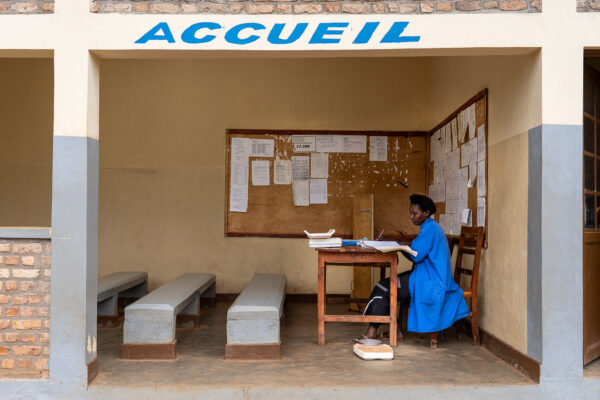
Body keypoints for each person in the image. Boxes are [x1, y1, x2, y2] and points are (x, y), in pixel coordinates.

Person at [361, 194, 470, 340]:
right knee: (385, 287)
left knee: (383, 287)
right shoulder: (430, 227)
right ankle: (394, 330)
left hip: (431, 281)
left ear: (426, 212)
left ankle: (372, 333)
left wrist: (399, 246)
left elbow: (415, 255)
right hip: (426, 276)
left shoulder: (430, 229)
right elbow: (416, 250)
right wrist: (399, 245)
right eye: (410, 213)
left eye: (415, 213)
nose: (411, 217)